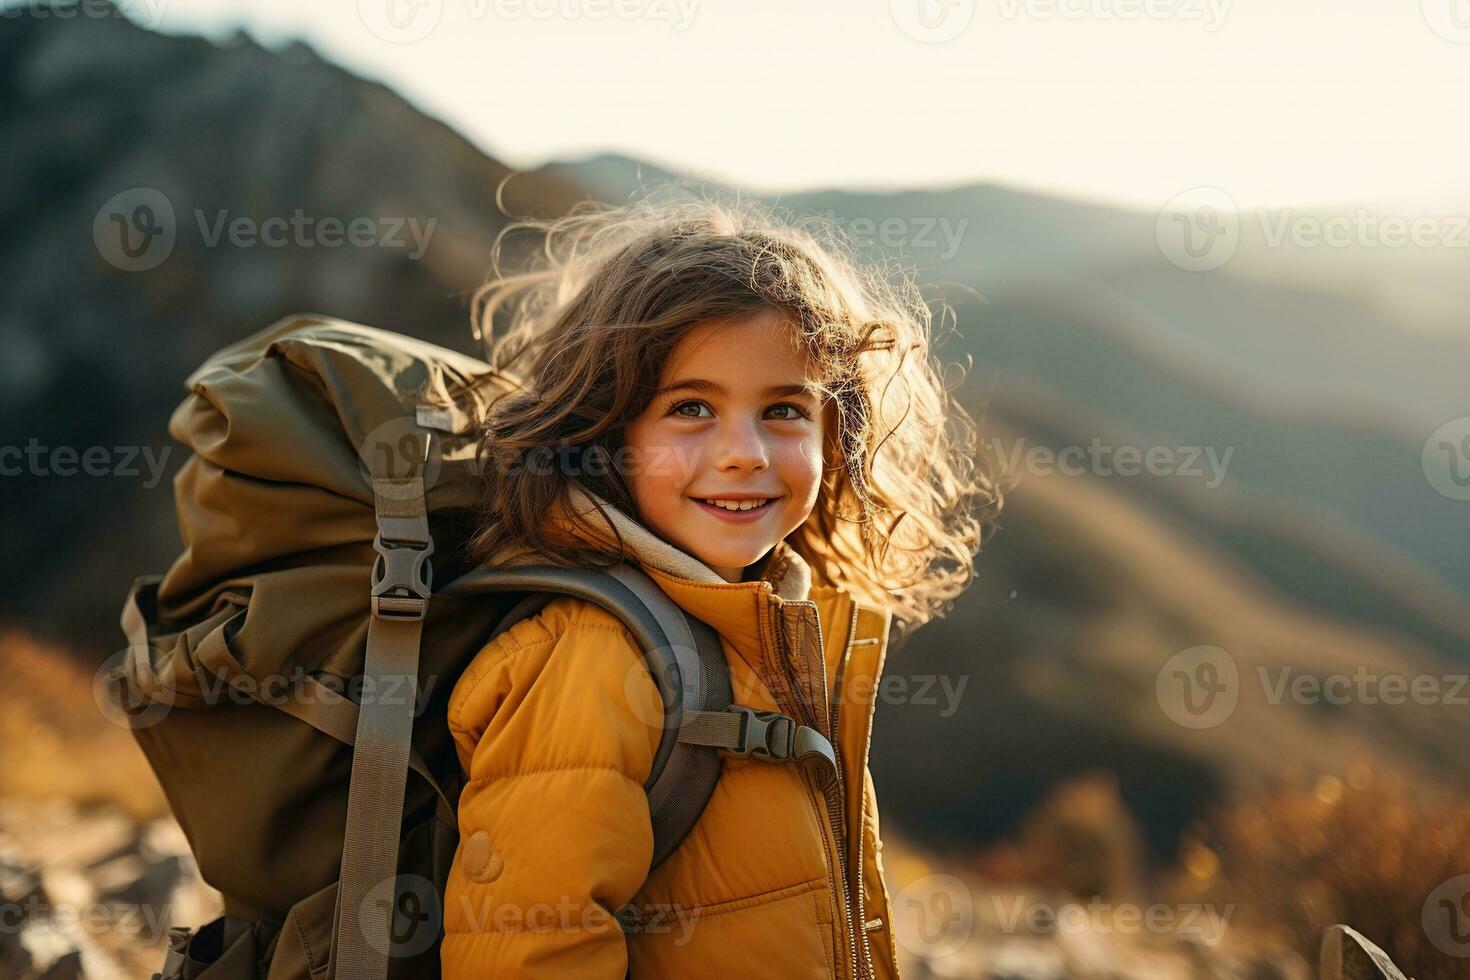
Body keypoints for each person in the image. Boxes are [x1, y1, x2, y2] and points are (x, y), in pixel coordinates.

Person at [439, 190, 1000, 978]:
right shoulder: (589, 659)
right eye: (692, 407)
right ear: (608, 431)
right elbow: (531, 953)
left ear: (834, 430)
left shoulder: (773, 625)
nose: (744, 452)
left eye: (784, 410)